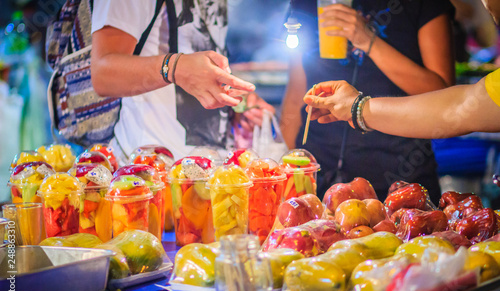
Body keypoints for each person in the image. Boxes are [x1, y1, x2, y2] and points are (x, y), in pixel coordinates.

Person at [280, 0, 455, 203]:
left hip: (399, 177)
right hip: (316, 175)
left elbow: (444, 94)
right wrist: (286, 169)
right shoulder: (307, 4)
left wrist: (367, 40)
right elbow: (296, 97)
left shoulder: (420, 5)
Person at [90, 0, 273, 161]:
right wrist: (176, 67)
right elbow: (102, 74)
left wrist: (233, 103)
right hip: (151, 174)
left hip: (212, 173)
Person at [302, 2, 500, 140]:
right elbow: (459, 106)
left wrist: (356, 107)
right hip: (323, 159)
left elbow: (453, 105)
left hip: (400, 164)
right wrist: (356, 107)